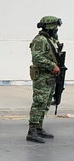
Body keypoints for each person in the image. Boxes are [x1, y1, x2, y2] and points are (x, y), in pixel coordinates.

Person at [27, 15, 63, 143]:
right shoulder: (40, 40)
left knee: (46, 103)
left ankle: (38, 127)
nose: (56, 30)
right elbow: (37, 57)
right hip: (42, 76)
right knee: (39, 102)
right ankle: (31, 131)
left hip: (50, 76)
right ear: (49, 27)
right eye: (55, 27)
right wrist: (52, 65)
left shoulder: (50, 40)